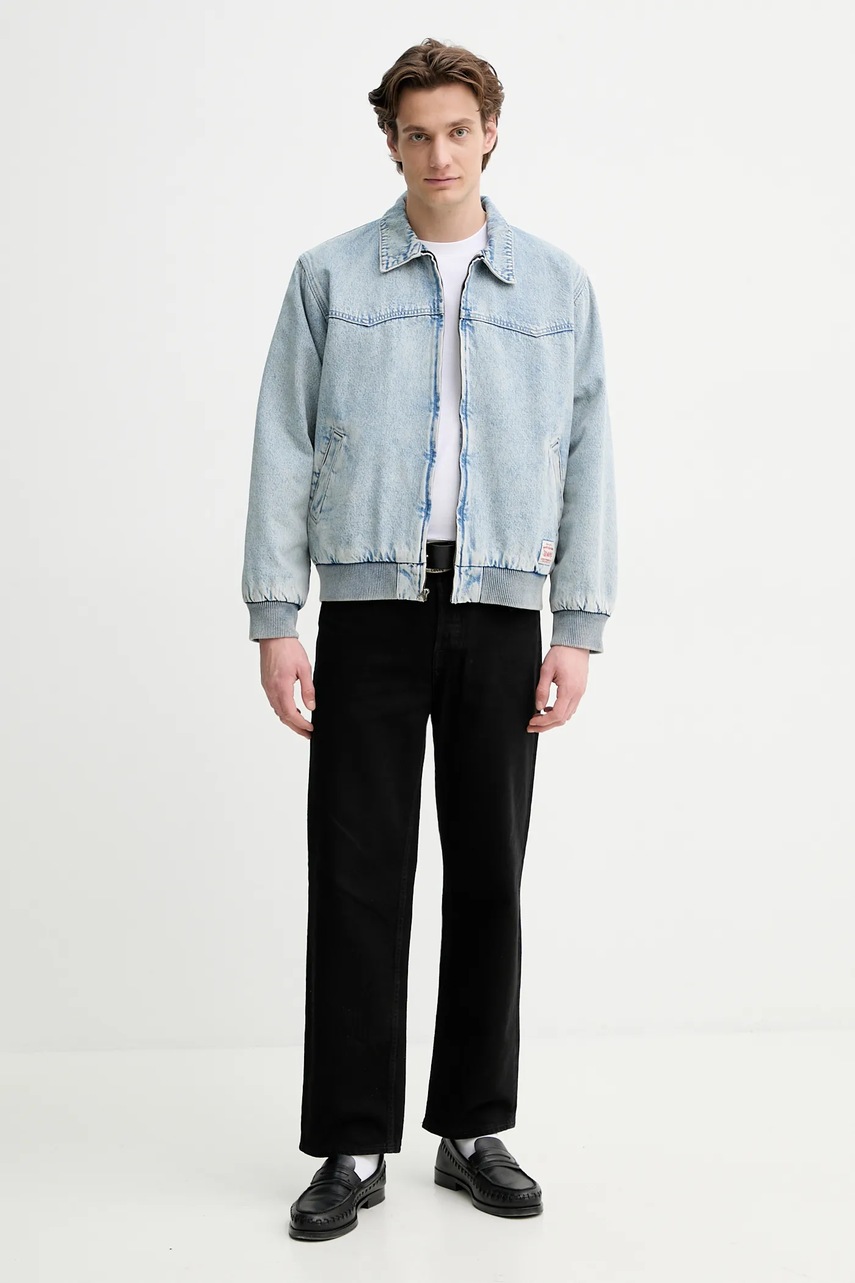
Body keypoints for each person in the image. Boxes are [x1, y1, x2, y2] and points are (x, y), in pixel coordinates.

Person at [241, 37, 618, 1242]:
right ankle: (352, 1141)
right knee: (357, 873)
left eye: (459, 130)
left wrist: (579, 625)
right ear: (392, 142)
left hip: (506, 609)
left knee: (490, 873)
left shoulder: (556, 287)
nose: (440, 153)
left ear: (491, 132)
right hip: (368, 611)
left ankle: (472, 1125)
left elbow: (588, 459)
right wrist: (276, 615)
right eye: (418, 134)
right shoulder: (329, 276)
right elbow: (283, 443)